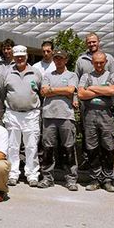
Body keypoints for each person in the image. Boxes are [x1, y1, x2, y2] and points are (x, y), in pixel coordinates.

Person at [77, 51, 114, 192]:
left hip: (106, 115)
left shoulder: (112, 75)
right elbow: (81, 94)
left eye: (102, 62)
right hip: (90, 115)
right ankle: (95, 178)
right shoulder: (86, 76)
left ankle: (108, 179)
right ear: (92, 63)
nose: (99, 65)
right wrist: (103, 89)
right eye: (96, 62)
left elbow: (113, 91)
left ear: (106, 61)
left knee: (108, 147)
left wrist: (92, 89)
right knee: (92, 147)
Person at [38, 49, 79, 190]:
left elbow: (70, 91)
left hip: (66, 116)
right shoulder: (47, 75)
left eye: (61, 58)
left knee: (68, 149)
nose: (58, 61)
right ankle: (47, 178)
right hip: (49, 116)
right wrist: (63, 90)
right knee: (48, 149)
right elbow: (43, 91)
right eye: (56, 58)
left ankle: (71, 179)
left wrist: (52, 90)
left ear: (66, 60)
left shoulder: (72, 75)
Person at [2, 45, 42, 187]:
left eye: (22, 56)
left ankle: (32, 174)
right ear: (13, 57)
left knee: (31, 146)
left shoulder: (36, 73)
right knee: (12, 146)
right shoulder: (7, 73)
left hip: (31, 114)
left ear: (26, 56)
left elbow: (40, 93)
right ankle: (13, 174)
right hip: (12, 113)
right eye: (17, 56)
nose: (19, 59)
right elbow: (2, 93)